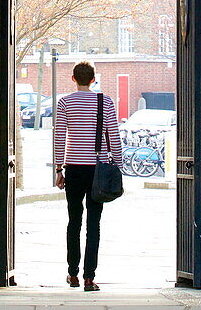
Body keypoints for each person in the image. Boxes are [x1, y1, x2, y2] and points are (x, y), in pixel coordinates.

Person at [53, 61, 122, 292]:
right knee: (94, 223)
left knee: (74, 221)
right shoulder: (105, 102)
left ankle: (72, 274)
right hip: (97, 170)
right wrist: (118, 167)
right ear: (93, 79)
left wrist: (58, 169)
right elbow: (114, 135)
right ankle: (89, 278)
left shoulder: (65, 103)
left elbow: (59, 137)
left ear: (73, 78)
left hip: (73, 168)